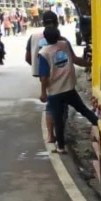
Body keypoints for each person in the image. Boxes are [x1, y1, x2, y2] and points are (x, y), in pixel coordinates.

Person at [38, 25, 98, 153]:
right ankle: (99, 124)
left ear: (45, 38)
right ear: (58, 35)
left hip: (55, 92)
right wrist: (91, 64)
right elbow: (76, 60)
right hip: (69, 88)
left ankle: (61, 147)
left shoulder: (43, 53)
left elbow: (44, 76)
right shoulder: (64, 45)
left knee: (58, 119)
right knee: (83, 109)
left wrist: (43, 92)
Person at [27, 10, 62, 145]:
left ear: (42, 22)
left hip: (42, 75)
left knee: (51, 104)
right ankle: (58, 135)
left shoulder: (34, 36)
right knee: (59, 104)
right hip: (59, 74)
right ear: (56, 22)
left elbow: (28, 58)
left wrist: (39, 67)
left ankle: (51, 135)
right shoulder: (59, 37)